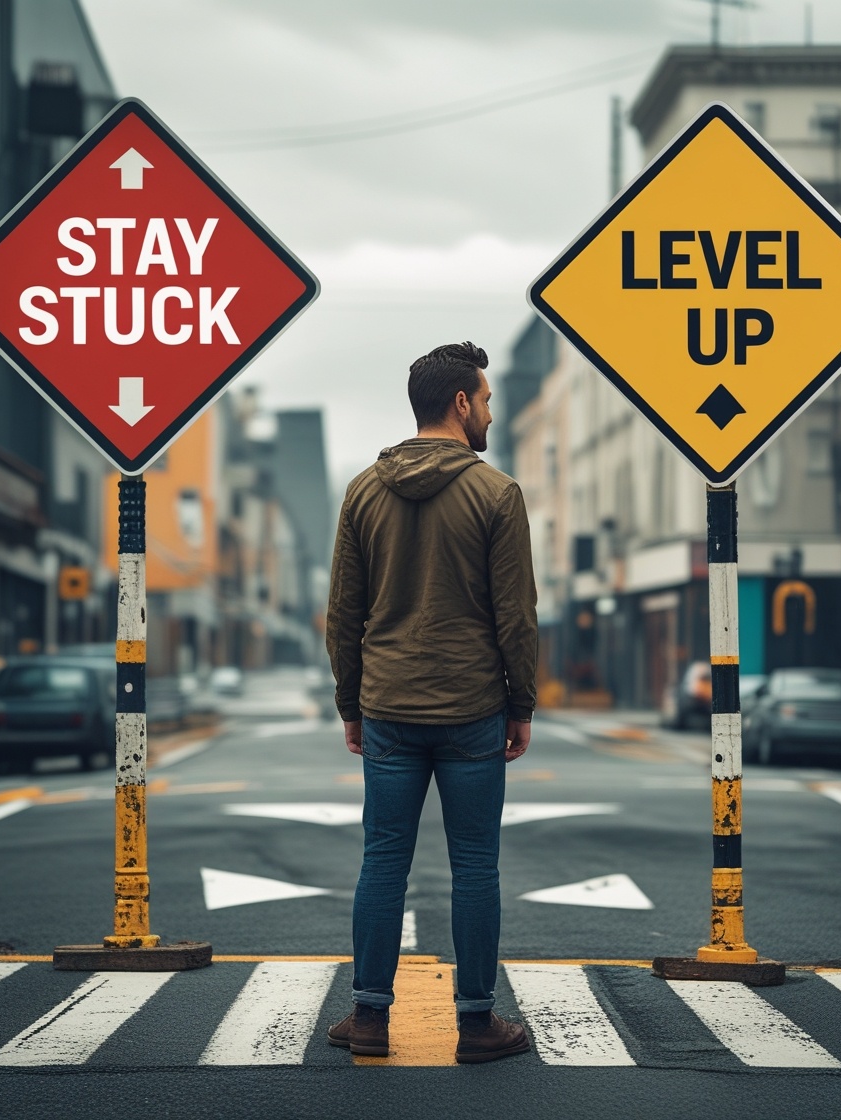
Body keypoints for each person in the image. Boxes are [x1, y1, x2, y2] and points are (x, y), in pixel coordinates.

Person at [324, 341, 538, 1064]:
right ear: (460, 403)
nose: (489, 413)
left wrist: (351, 702)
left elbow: (341, 614)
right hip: (472, 706)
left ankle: (370, 1020)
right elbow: (516, 615)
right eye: (485, 400)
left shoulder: (361, 491)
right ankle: (477, 1025)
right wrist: (522, 702)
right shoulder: (497, 494)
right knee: (475, 864)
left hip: (387, 706)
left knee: (382, 859)